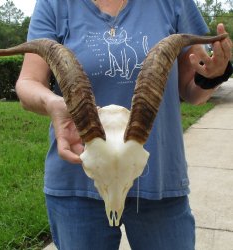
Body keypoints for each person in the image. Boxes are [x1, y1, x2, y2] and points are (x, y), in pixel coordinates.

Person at [15, 0, 232, 249]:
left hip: (158, 183)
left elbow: (193, 91)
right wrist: (53, 104)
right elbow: (28, 82)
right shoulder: (55, 4)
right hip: (79, 182)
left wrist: (213, 76)